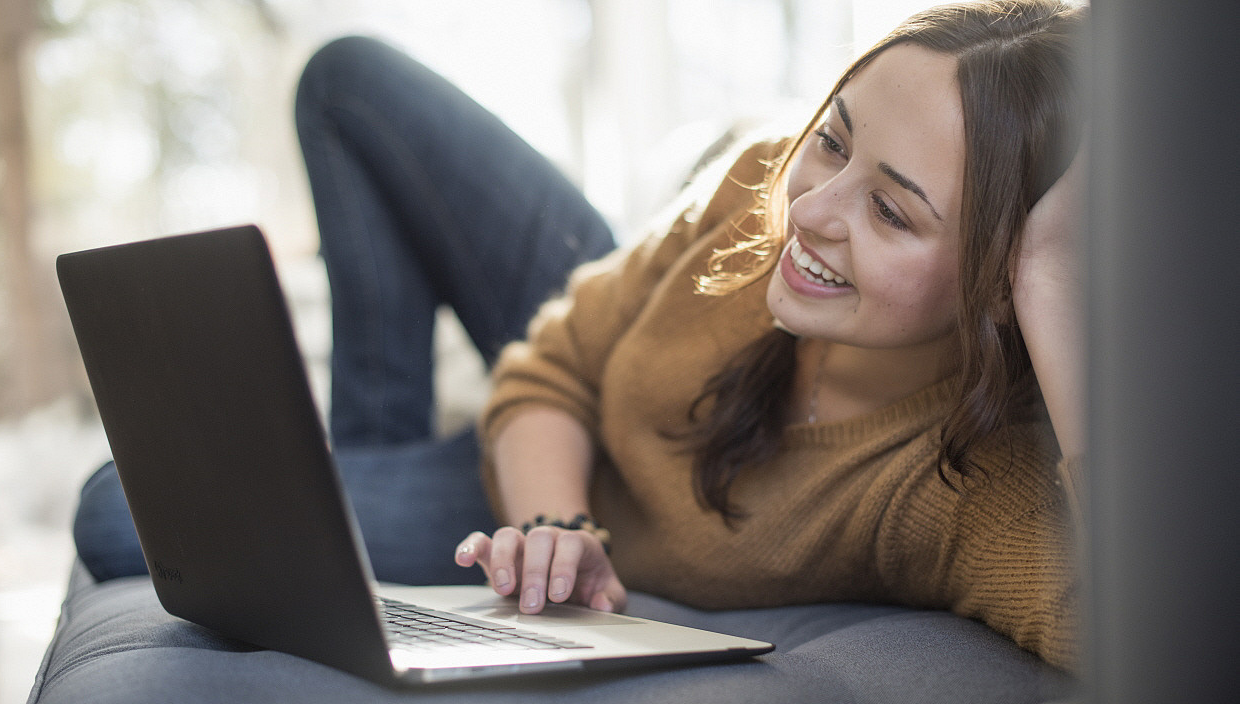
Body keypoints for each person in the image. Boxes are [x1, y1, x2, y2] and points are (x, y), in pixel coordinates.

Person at [71, 0, 1086, 674]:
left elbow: (1161, 630)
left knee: (121, 509)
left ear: (996, 281)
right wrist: (559, 527)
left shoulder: (962, 487)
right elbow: (551, 362)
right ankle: (361, 451)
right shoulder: (761, 195)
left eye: (894, 213)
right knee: (349, 82)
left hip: (542, 526)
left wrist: (1051, 278)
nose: (813, 207)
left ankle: (350, 485)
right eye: (831, 136)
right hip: (566, 461)